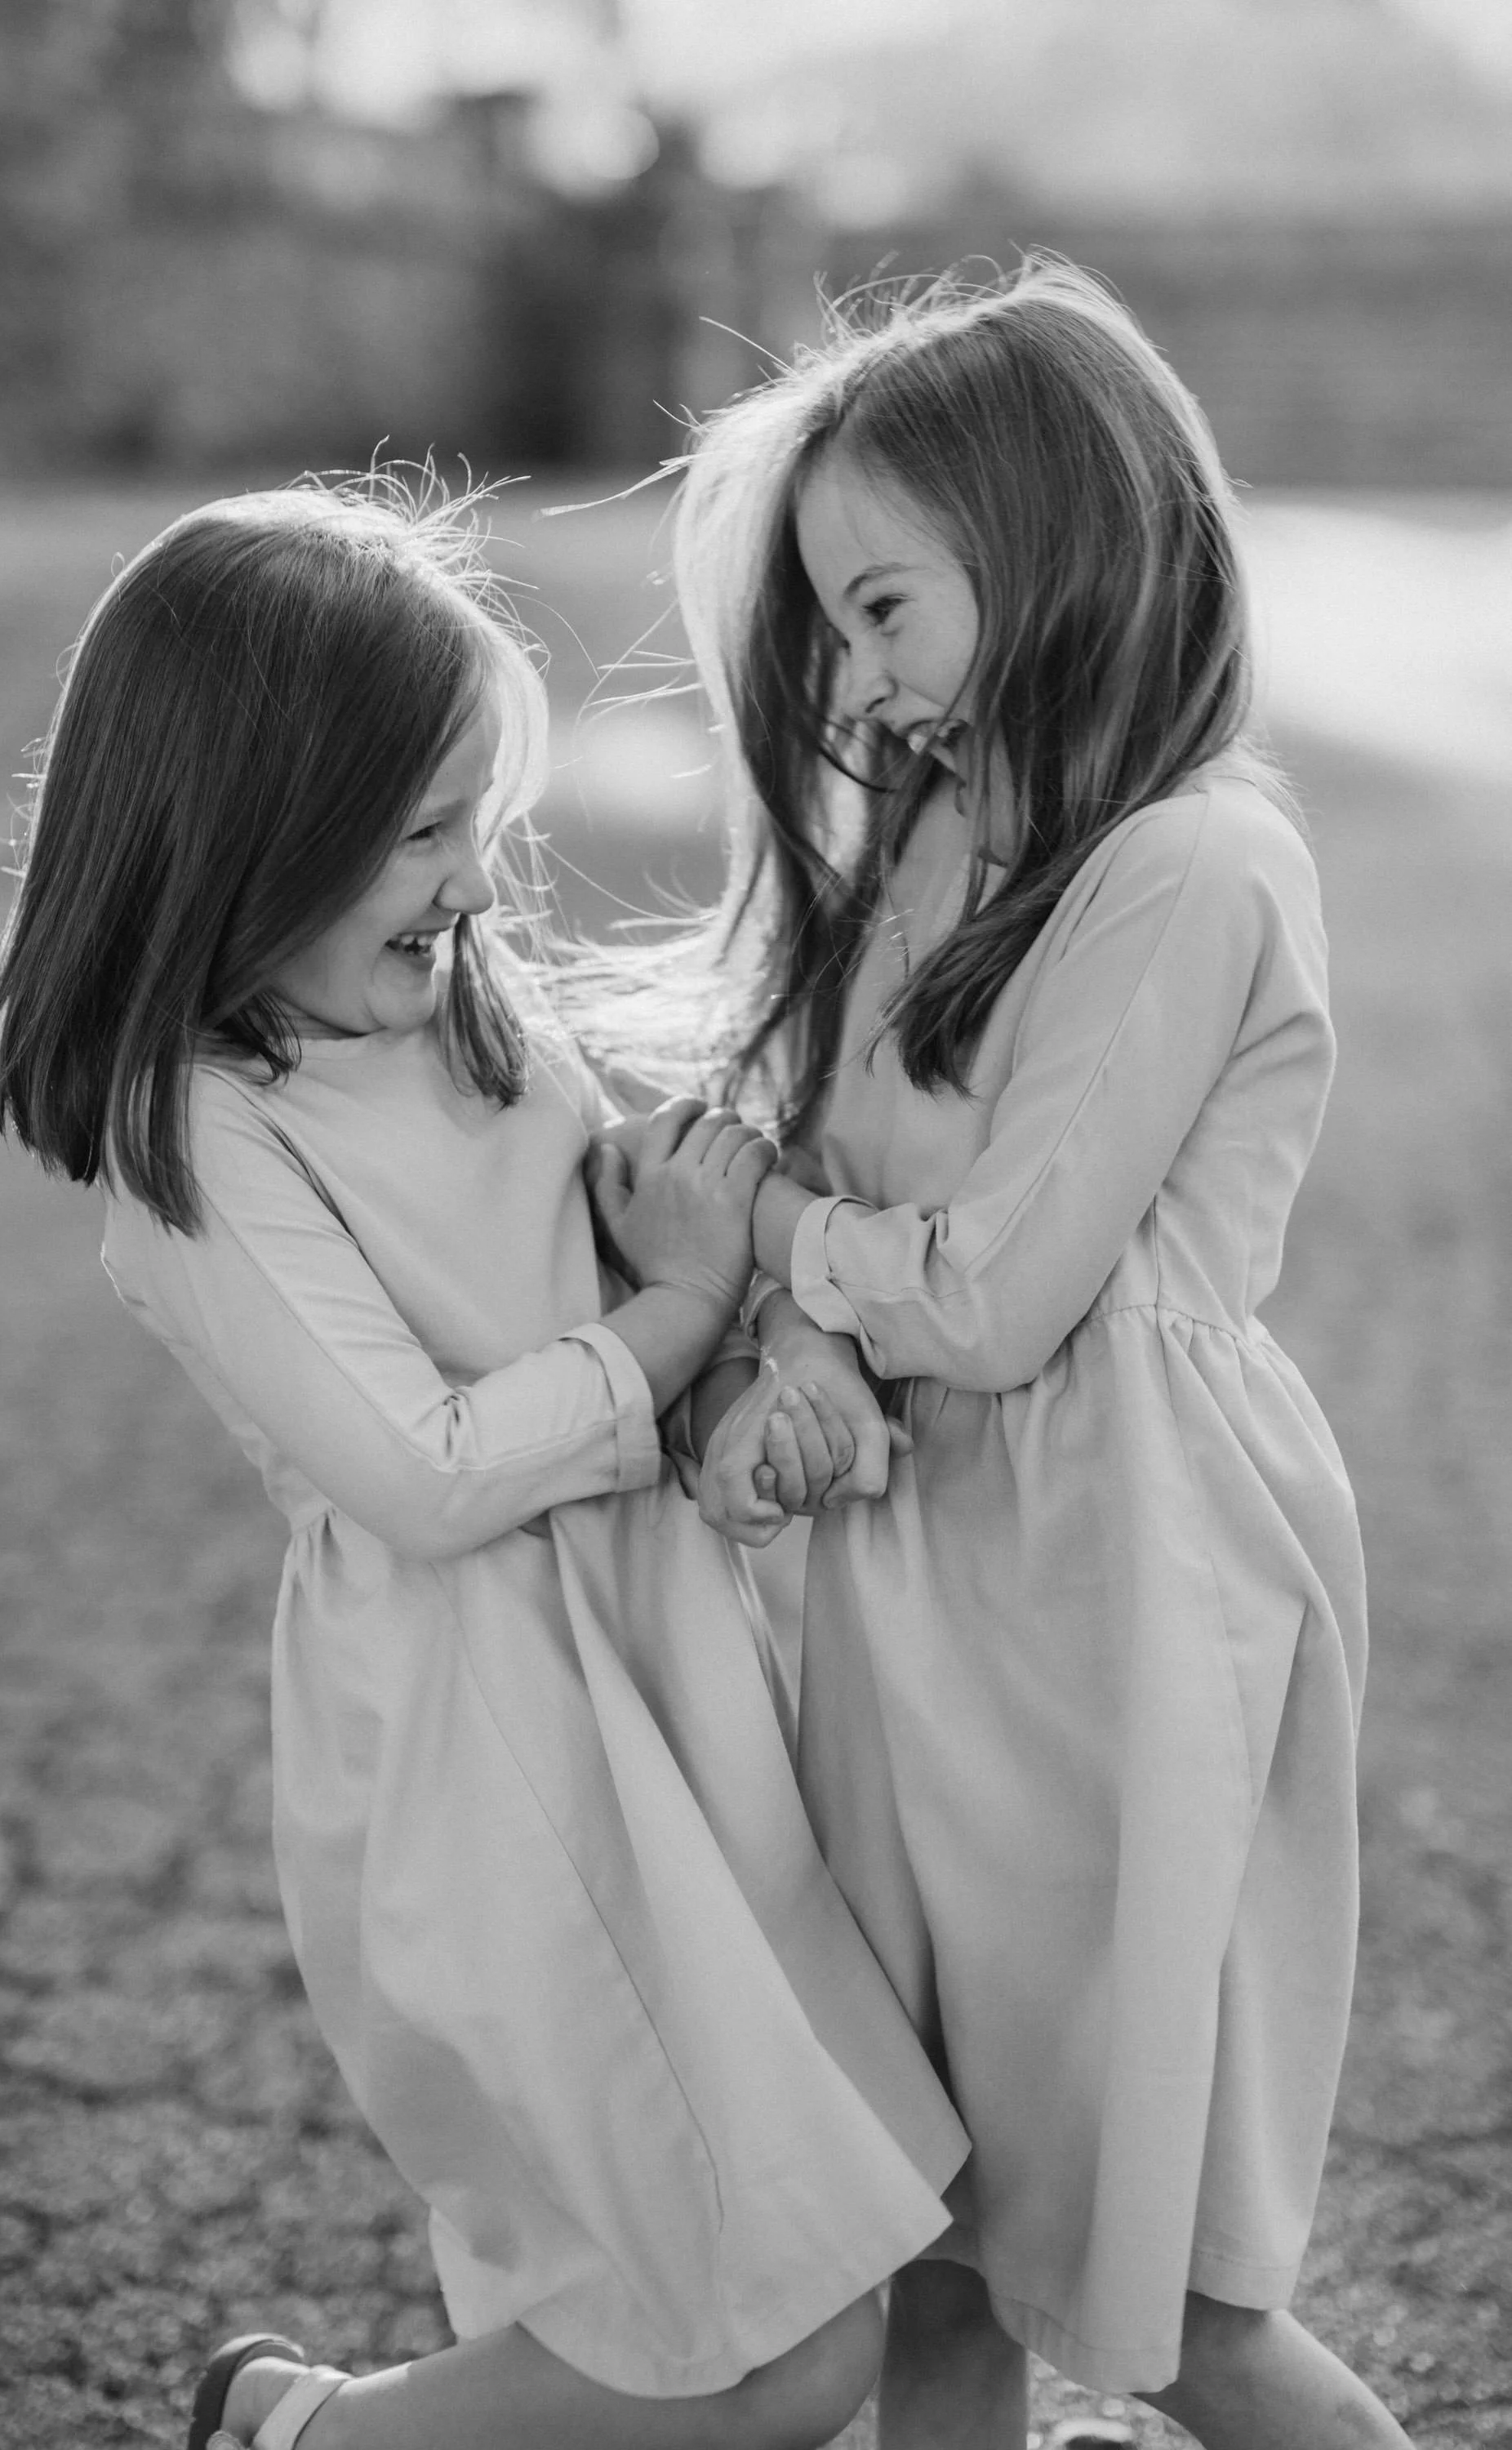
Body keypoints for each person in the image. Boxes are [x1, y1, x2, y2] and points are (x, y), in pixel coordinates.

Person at [0, 478, 971, 2450]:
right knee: (758, 2334)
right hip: (488, 1750)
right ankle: (303, 2436)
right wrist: (674, 1316)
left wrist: (759, 1367)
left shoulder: (467, 1028)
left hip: (660, 1700)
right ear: (251, 834)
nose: (478, 888)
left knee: (775, 2259)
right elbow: (420, 1474)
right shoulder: (206, 1140)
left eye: (478, 829)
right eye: (426, 836)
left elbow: (644, 1252)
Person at [666, 261, 1411, 2448]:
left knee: (1160, 2280)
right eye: (838, 631)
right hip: (922, 1591)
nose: (863, 683)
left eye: (885, 609)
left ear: (1053, 543)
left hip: (1116, 1580)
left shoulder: (1190, 866)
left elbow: (995, 1294)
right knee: (931, 2234)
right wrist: (761, 1289)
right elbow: (828, 1180)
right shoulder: (931, 832)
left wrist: (775, 1234)